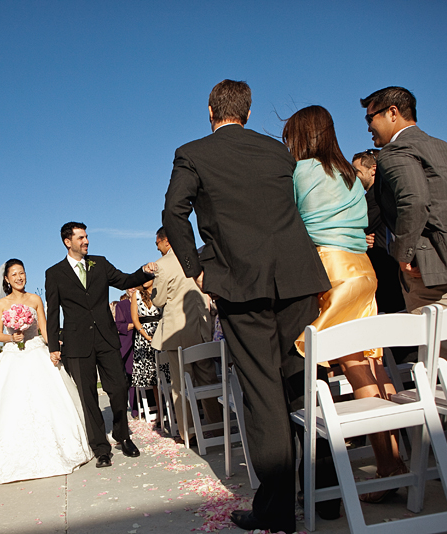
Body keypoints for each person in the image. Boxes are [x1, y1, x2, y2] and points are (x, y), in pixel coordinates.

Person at [163, 81, 331, 533]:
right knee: (303, 382)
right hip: (297, 278)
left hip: (240, 283)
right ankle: (327, 492)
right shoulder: (278, 153)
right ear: (249, 112)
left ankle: (276, 511)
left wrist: (198, 270)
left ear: (211, 110)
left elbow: (172, 213)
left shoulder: (192, 152)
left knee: (263, 398)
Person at [283, 105, 406, 503]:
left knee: (353, 366)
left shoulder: (300, 172)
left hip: (331, 268)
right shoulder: (350, 176)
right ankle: (394, 458)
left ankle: (389, 468)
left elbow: (293, 225)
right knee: (372, 362)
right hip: (362, 270)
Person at [361, 86, 447, 386]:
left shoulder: (394, 152)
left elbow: (413, 200)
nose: (368, 128)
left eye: (370, 118)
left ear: (393, 112)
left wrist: (404, 256)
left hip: (435, 282)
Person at [45, 222, 157, 468]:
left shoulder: (101, 263)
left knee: (118, 388)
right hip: (76, 343)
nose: (86, 241)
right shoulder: (54, 273)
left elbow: (126, 279)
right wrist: (54, 345)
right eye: (81, 238)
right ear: (68, 241)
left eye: (86, 237)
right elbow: (52, 312)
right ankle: (100, 448)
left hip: (106, 337)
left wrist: (145, 271)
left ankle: (122, 436)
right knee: (88, 397)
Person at [0, 259, 93, 483]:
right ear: (7, 279)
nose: (20, 277)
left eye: (22, 273)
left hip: (36, 350)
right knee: (14, 404)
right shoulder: (2, 304)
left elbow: (45, 328)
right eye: (15, 274)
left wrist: (54, 349)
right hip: (13, 355)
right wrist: (13, 337)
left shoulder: (35, 299)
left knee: (48, 399)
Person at [150, 227, 221, 443]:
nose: (158, 249)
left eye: (158, 244)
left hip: (176, 331)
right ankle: (217, 425)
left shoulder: (162, 265)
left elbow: (158, 300)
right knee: (207, 378)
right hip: (201, 326)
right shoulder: (196, 257)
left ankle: (188, 432)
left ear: (167, 241)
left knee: (180, 385)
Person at [352, 149, 407, 318]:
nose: (354, 177)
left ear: (373, 169)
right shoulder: (379, 195)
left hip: (386, 270)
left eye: (357, 172)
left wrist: (359, 237)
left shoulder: (377, 195)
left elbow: (360, 225)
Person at [129, 279, 170, 420]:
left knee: (168, 374)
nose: (145, 280)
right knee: (153, 378)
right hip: (144, 336)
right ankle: (160, 413)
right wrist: (146, 336)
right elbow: (135, 318)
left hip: (162, 332)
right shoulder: (137, 294)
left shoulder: (160, 290)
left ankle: (174, 411)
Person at [114, 288, 137, 417]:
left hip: (146, 340)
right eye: (129, 287)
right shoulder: (122, 305)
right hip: (128, 343)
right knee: (131, 377)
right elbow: (120, 326)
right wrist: (135, 323)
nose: (132, 289)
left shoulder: (145, 301)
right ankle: (135, 409)